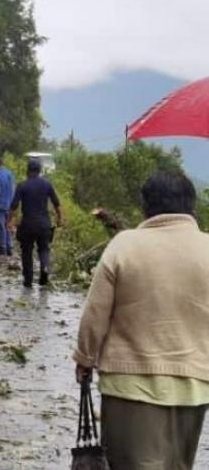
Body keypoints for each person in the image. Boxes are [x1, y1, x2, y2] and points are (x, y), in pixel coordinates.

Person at [74, 172, 209, 470]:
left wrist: (84, 359)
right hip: (195, 387)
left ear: (146, 207)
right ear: (191, 207)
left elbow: (95, 313)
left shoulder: (125, 245)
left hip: (129, 385)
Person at [9, 159, 62, 287]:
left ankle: (28, 279)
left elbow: (13, 206)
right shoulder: (47, 184)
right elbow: (56, 204)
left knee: (27, 251)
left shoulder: (22, 185)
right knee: (44, 249)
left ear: (28, 171)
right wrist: (60, 219)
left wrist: (9, 221)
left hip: (27, 224)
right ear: (40, 171)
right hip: (44, 224)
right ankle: (44, 268)